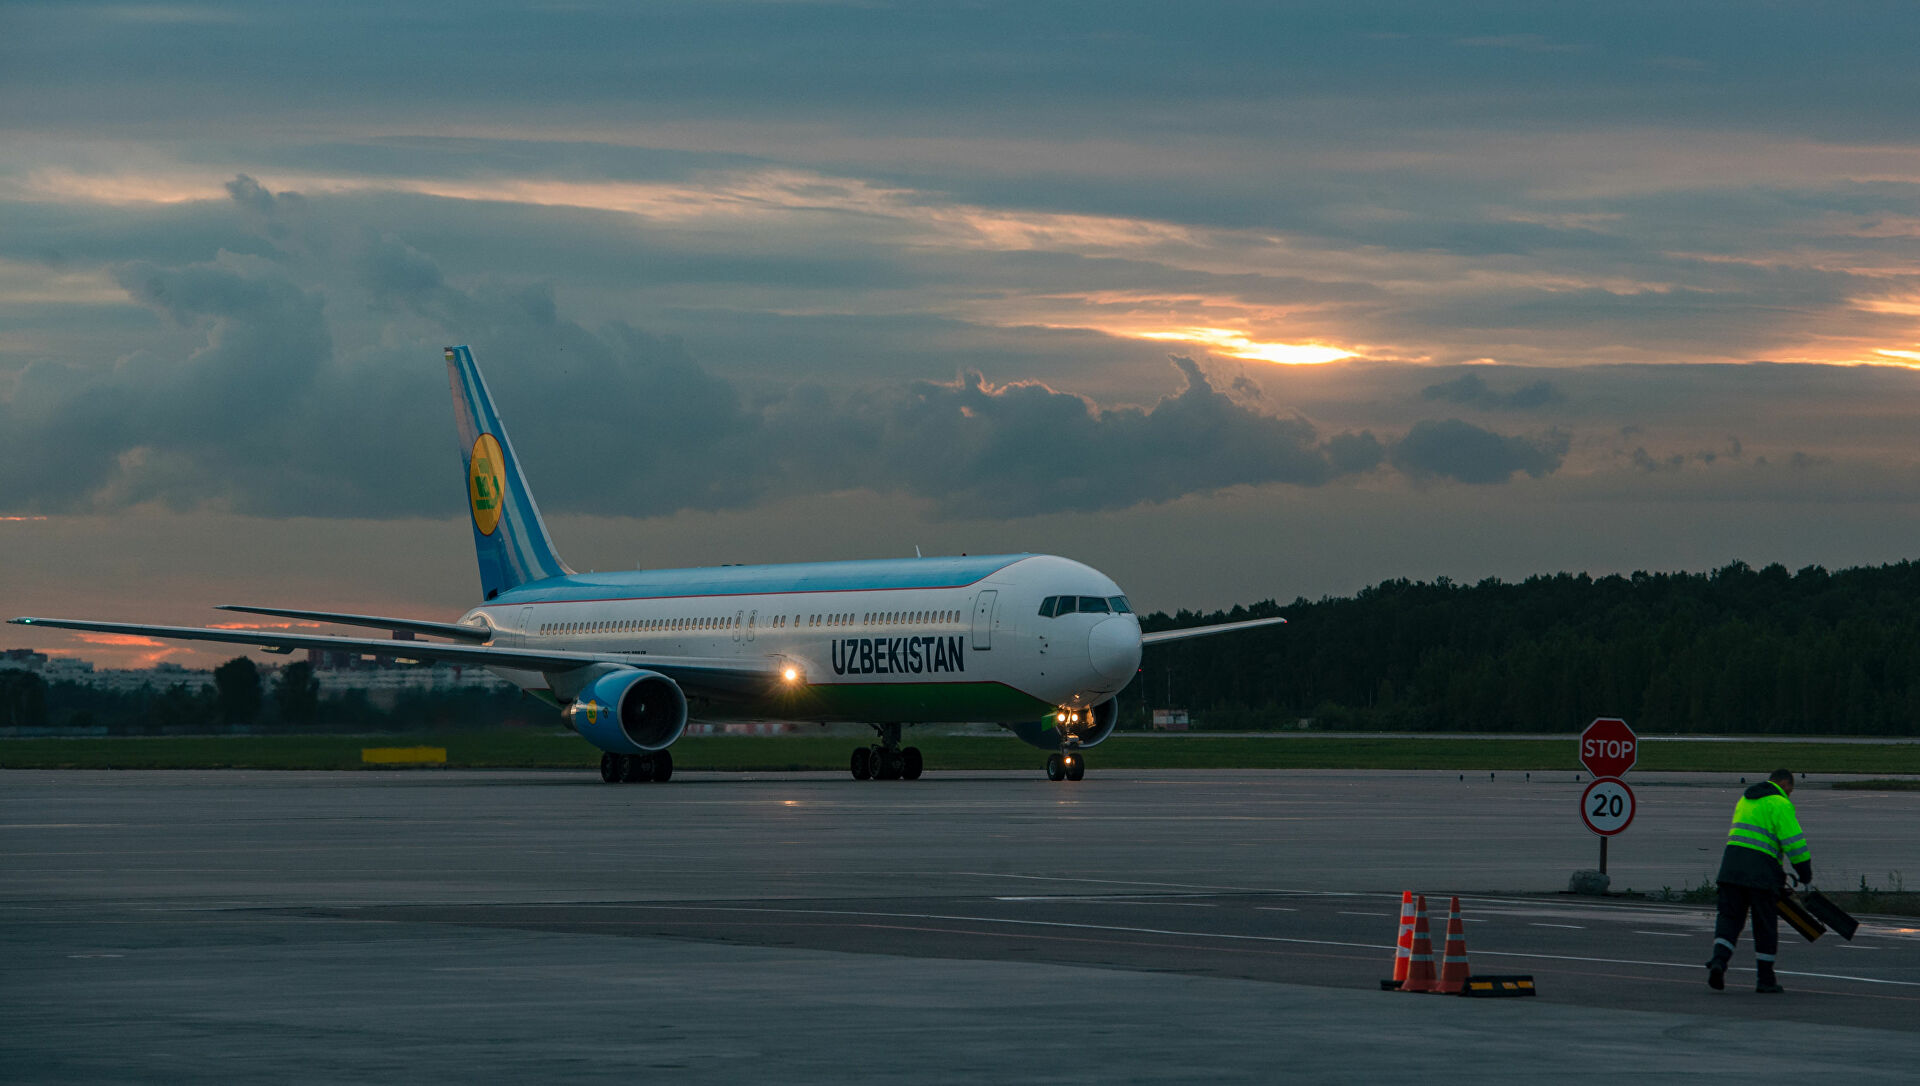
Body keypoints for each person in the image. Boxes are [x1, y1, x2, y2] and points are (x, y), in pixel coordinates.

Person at [1705, 769, 1812, 993]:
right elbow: (1794, 843)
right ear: (1784, 783)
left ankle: (1719, 961)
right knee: (1764, 925)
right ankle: (1765, 979)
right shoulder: (1780, 804)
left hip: (1731, 869)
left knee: (1729, 919)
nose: (1790, 795)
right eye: (1790, 791)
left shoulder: (1745, 799)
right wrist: (1804, 873)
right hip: (1761, 873)